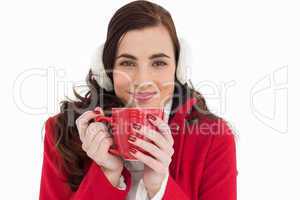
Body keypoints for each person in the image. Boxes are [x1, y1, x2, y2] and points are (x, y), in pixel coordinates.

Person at [39, 1, 238, 199]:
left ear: (178, 68)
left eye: (159, 62)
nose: (143, 81)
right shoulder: (62, 131)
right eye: (127, 63)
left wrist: (160, 186)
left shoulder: (214, 139)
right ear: (107, 70)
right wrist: (106, 175)